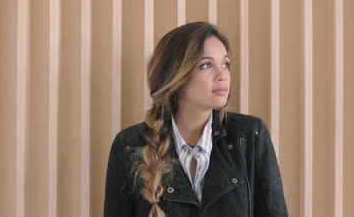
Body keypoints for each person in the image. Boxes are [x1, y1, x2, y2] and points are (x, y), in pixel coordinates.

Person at [103, 22, 288, 217]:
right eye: (206, 65)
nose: (222, 75)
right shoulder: (130, 144)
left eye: (225, 64)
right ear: (175, 76)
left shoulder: (249, 135)